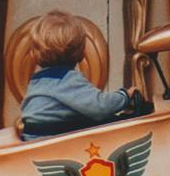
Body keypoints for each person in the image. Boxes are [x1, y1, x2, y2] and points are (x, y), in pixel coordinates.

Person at [17, 29, 148, 138]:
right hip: (54, 140)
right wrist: (124, 95)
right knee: (114, 125)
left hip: (34, 137)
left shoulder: (37, 80)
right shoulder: (66, 78)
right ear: (79, 53)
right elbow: (100, 107)